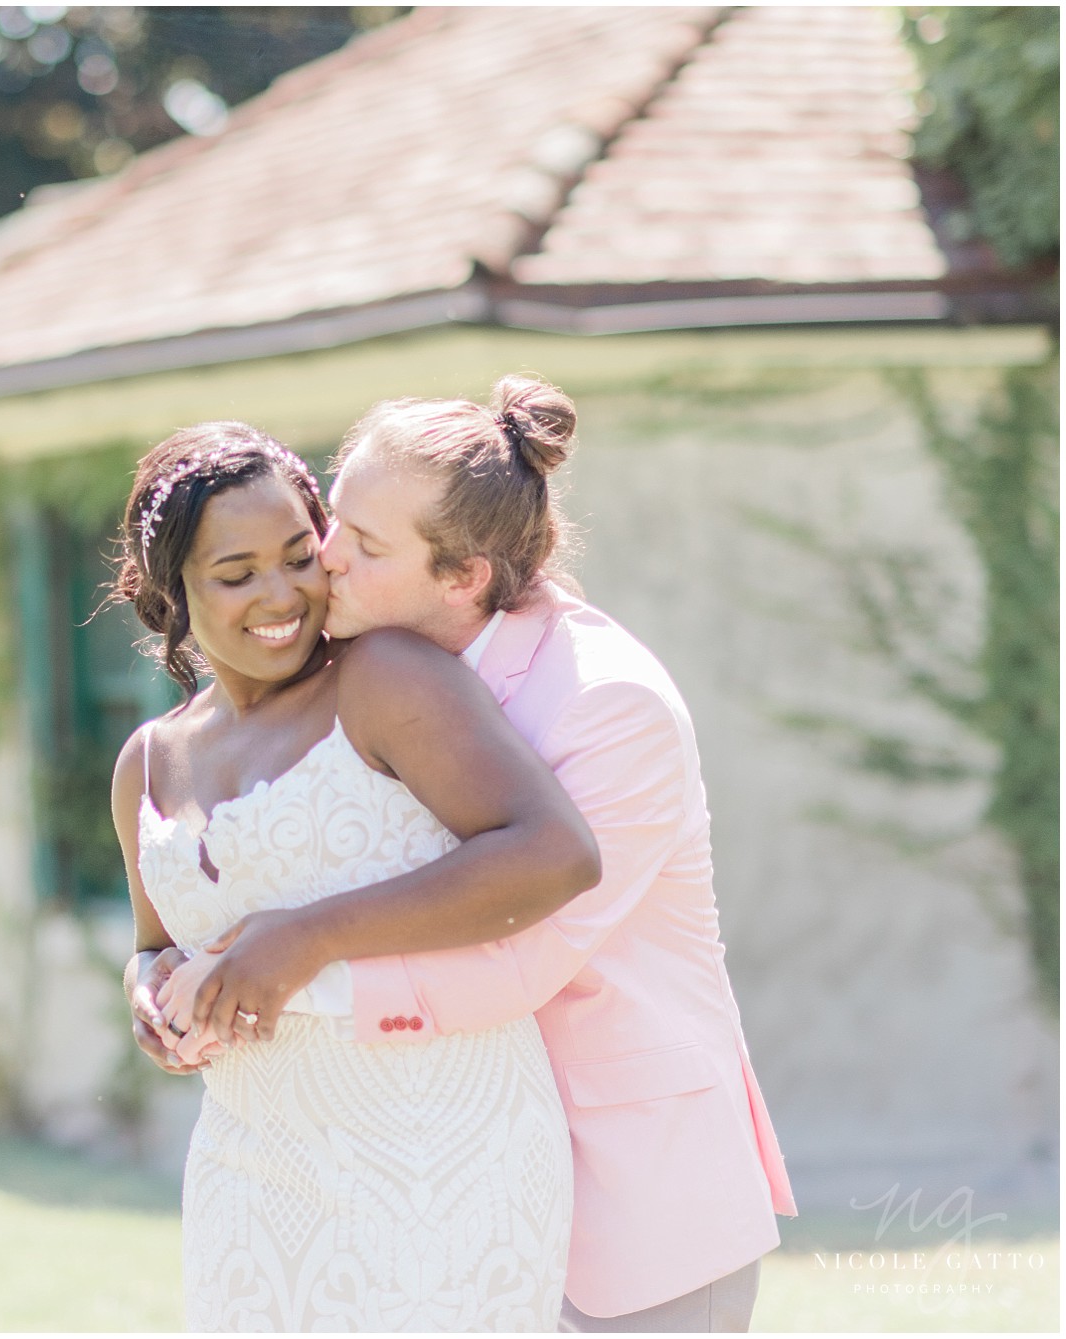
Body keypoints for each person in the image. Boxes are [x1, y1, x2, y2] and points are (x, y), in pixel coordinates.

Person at [140, 376, 797, 1332]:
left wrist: (271, 972)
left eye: (361, 546)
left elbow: (517, 957)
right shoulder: (370, 680)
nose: (324, 562)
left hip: (628, 1182)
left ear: (464, 578)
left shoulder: (611, 706)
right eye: (336, 520)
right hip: (433, 1182)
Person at [109, 420, 606, 1331]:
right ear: (169, 591)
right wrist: (148, 997)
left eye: (302, 555)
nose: (282, 593)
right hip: (248, 1174)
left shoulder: (385, 679)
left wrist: (308, 934)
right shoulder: (148, 763)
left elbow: (552, 851)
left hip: (440, 1165)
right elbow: (154, 947)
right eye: (236, 573)